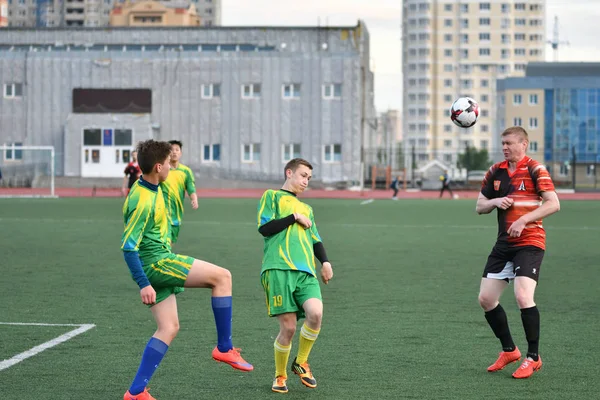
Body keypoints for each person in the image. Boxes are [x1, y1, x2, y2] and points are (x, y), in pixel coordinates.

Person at [121, 139, 253, 400]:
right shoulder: (143, 199)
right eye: (170, 163)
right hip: (157, 263)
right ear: (159, 167)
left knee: (168, 328)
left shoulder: (149, 184)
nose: (173, 167)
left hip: (157, 258)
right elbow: (128, 246)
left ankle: (135, 392)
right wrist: (143, 283)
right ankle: (224, 348)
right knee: (222, 277)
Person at [476, 126, 560, 379]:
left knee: (523, 296)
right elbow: (479, 206)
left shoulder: (536, 169)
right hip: (504, 245)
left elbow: (553, 203)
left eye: (510, 143)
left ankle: (533, 357)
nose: (505, 147)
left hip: (530, 242)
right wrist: (494, 202)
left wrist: (524, 220)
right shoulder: (495, 171)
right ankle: (509, 350)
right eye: (503, 143)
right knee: (486, 299)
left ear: (524, 144)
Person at [257, 158, 334, 394]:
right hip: (278, 269)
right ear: (289, 173)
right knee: (288, 329)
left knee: (316, 313)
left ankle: (301, 362)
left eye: (309, 178)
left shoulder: (308, 209)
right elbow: (264, 228)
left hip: (306, 272)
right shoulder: (271, 196)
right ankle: (280, 376)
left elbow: (315, 239)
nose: (305, 181)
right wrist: (293, 217)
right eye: (302, 175)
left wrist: (326, 262)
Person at [159, 140, 198, 245]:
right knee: (162, 243)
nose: (174, 152)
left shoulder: (186, 171)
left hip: (176, 214)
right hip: (161, 212)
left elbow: (190, 187)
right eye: (171, 150)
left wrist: (194, 199)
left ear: (181, 153)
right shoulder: (161, 169)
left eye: (177, 150)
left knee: (170, 244)